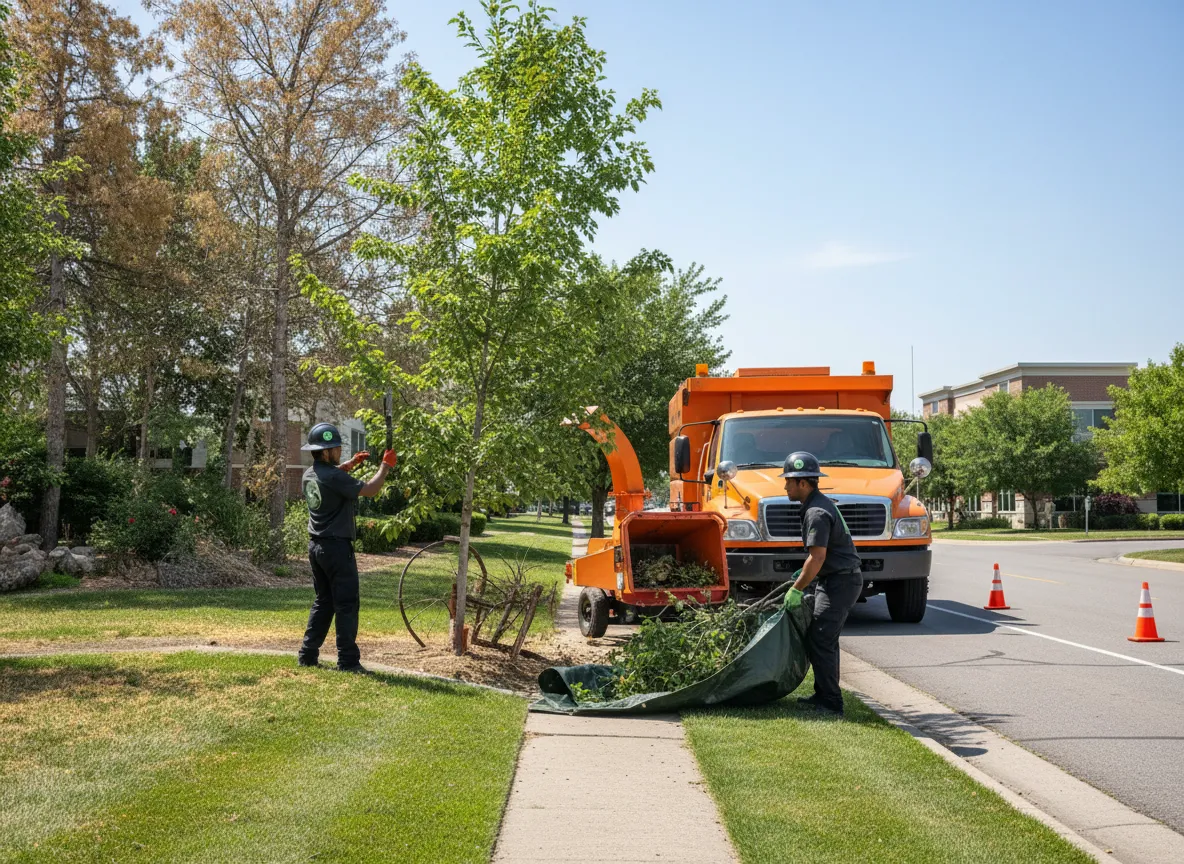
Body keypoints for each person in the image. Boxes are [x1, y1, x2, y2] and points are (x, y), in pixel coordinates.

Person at [297, 422, 397, 673]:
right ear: (327, 451)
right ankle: (348, 661)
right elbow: (372, 490)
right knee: (347, 604)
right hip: (337, 549)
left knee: (324, 601)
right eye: (337, 448)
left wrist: (351, 464)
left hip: (316, 547)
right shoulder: (333, 476)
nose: (339, 450)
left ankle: (307, 654)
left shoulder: (310, 473)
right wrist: (385, 466)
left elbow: (332, 476)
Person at [780, 450, 863, 715]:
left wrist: (797, 589)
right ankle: (823, 695)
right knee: (823, 637)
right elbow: (816, 559)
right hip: (836, 579)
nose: (785, 486)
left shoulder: (816, 512)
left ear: (802, 483)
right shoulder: (817, 505)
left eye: (789, 481)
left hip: (841, 582)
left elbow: (817, 558)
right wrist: (802, 575)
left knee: (821, 638)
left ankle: (831, 702)